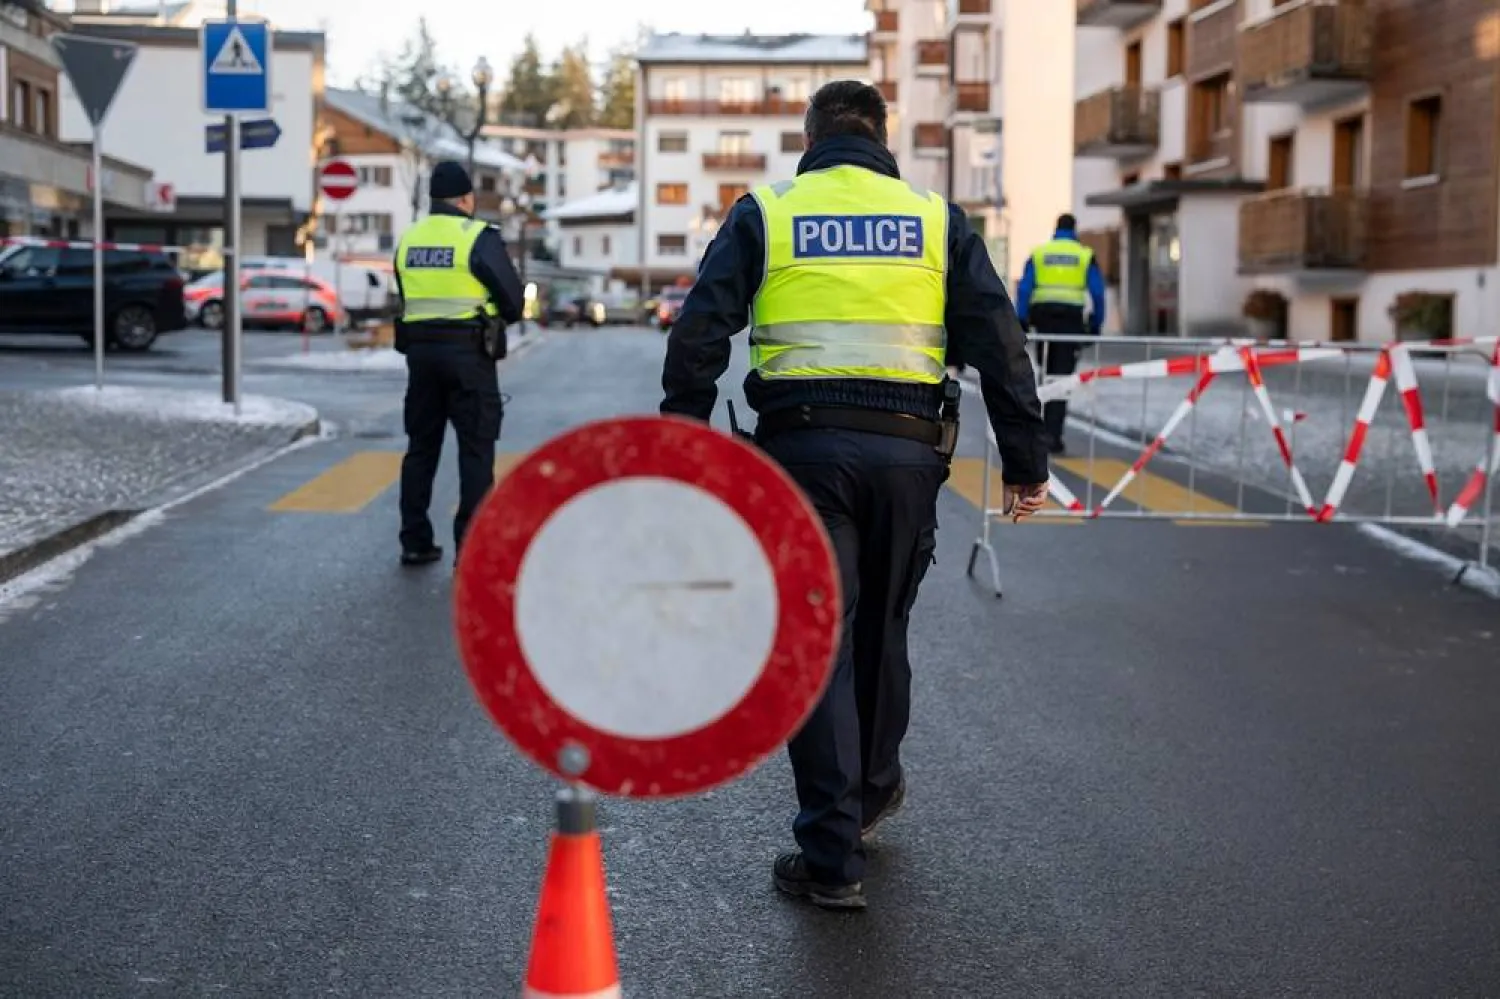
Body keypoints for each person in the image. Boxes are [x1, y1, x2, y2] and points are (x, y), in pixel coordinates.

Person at [659, 80, 1050, 911]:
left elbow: (700, 329)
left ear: (811, 135)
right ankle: (868, 797)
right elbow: (998, 339)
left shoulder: (767, 210)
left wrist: (685, 437)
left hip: (802, 451)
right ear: (882, 135)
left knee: (817, 637)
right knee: (883, 625)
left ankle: (832, 855)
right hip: (910, 456)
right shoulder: (936, 219)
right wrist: (1025, 460)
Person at [392, 160, 524, 567]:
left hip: (420, 356)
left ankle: (415, 540)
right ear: (466, 199)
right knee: (476, 449)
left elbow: (405, 293)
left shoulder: (410, 238)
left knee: (421, 448)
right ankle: (470, 547)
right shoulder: (477, 237)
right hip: (469, 354)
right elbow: (513, 300)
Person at [1015, 213, 1107, 454]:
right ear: (1074, 230)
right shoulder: (1084, 255)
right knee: (1062, 379)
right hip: (1070, 323)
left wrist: (1021, 320)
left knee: (1045, 376)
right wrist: (1095, 326)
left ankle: (1037, 433)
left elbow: (1024, 289)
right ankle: (1053, 436)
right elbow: (1097, 294)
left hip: (1042, 321)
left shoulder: (1040, 253)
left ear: (1056, 229)